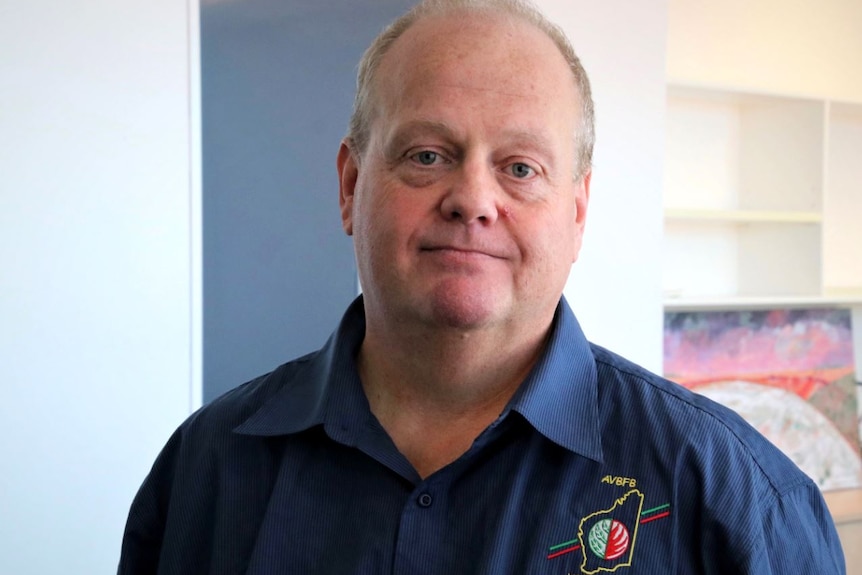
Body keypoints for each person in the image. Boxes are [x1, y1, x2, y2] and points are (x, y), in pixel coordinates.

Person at [118, 0, 846, 573]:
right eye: (427, 154)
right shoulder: (205, 470)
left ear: (578, 212)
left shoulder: (739, 499)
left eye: (520, 167)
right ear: (349, 185)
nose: (473, 198)